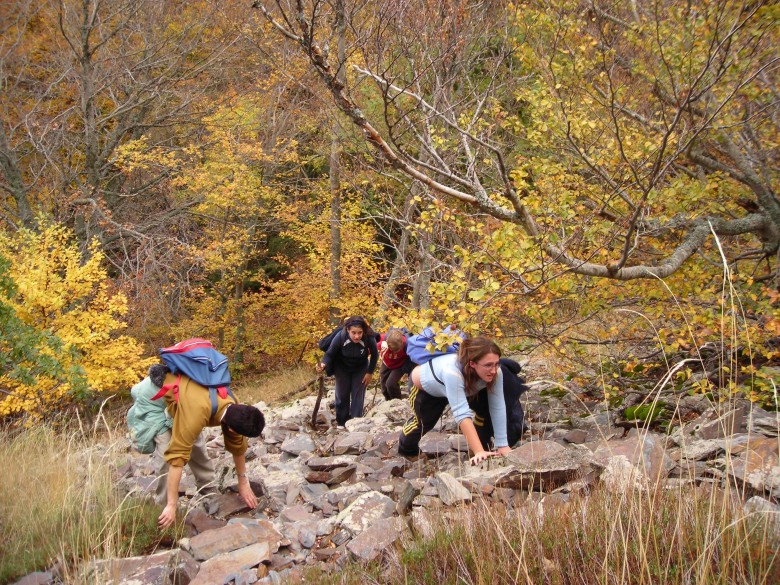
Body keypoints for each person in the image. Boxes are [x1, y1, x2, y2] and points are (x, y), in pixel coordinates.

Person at [152, 364, 265, 529]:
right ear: (232, 429)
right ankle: (162, 511)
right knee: (166, 455)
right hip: (156, 393)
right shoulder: (196, 414)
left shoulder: (234, 407)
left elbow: (238, 446)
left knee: (194, 444)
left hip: (188, 397)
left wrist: (243, 481)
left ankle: (208, 491)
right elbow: (177, 459)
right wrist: (172, 504)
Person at [398, 336, 512, 464]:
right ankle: (407, 449)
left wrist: (503, 445)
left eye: (496, 364)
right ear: (472, 364)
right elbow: (461, 414)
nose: (494, 370)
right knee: (423, 423)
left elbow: (497, 406)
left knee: (484, 412)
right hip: (427, 391)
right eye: (488, 365)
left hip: (467, 386)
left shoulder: (496, 372)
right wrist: (479, 451)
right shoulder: (452, 373)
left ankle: (481, 447)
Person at [316, 316, 379, 427]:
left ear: (363, 331)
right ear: (348, 330)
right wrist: (323, 364)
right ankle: (341, 422)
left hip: (360, 367)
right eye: (353, 333)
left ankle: (355, 422)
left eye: (359, 333)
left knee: (358, 395)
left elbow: (375, 355)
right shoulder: (341, 336)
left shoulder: (369, 337)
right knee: (341, 395)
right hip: (341, 366)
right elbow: (329, 353)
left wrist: (369, 373)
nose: (357, 336)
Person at [471, 357, 528, 450]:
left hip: (503, 390)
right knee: (486, 417)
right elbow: (516, 367)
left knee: (509, 421)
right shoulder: (498, 365)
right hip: (490, 396)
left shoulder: (497, 372)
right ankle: (485, 447)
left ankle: (491, 447)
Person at [378, 328, 414, 400]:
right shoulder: (383, 339)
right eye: (392, 350)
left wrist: (406, 371)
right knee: (384, 386)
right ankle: (388, 400)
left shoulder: (407, 344)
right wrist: (381, 344)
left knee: (390, 384)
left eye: (396, 350)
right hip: (386, 363)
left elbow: (411, 360)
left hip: (399, 365)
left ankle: (397, 401)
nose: (394, 352)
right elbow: (372, 345)